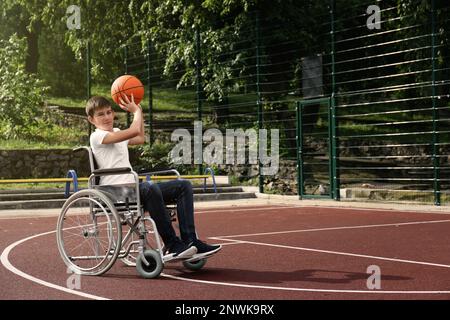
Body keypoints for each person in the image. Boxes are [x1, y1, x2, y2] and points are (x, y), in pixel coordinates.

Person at [85, 94, 221, 261]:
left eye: (108, 112)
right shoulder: (97, 136)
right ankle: (173, 244)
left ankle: (191, 241)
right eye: (100, 114)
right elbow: (134, 130)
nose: (106, 117)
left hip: (132, 187)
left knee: (183, 185)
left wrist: (139, 110)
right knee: (149, 187)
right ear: (91, 120)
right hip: (114, 191)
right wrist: (136, 112)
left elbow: (140, 138)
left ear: (113, 113)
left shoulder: (118, 132)